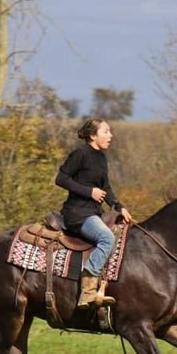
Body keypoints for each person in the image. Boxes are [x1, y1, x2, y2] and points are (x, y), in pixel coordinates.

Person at [55, 118, 133, 308]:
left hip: (93, 213)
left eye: (110, 132)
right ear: (92, 135)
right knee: (107, 238)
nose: (110, 135)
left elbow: (105, 187)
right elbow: (61, 178)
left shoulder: (101, 157)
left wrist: (119, 206)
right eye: (106, 131)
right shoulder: (80, 154)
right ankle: (88, 292)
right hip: (77, 213)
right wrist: (89, 191)